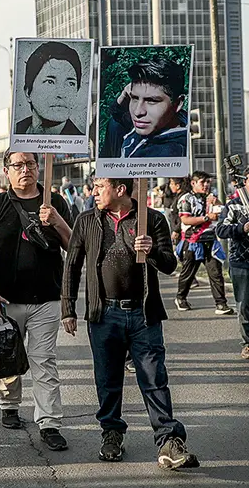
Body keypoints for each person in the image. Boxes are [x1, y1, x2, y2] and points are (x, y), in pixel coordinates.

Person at [62, 178, 199, 469]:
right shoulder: (87, 220)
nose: (94, 191)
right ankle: (111, 431)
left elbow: (170, 264)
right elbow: (72, 264)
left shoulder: (152, 219)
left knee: (154, 378)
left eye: (100, 186)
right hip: (103, 315)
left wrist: (152, 251)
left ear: (120, 189)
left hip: (143, 314)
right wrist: (68, 308)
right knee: (108, 378)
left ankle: (168, 441)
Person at [0, 150, 72, 449]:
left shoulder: (55, 202)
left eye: (30, 164)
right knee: (8, 357)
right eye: (18, 165)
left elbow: (74, 245)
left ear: (38, 168)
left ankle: (49, 422)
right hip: (6, 299)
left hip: (46, 296)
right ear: (7, 171)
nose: (25, 170)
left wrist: (56, 222)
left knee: (44, 361)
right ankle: (9, 405)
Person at [101, 56, 189, 159]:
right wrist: (123, 97)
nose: (138, 112)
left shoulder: (170, 153)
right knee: (114, 123)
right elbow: (117, 115)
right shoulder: (164, 120)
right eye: (134, 98)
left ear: (178, 103)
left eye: (151, 101)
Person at [175, 171, 231, 314]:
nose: (206, 185)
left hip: (210, 241)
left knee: (216, 273)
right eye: (202, 182)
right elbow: (185, 220)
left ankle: (221, 304)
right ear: (193, 183)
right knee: (188, 273)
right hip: (192, 241)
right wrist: (206, 218)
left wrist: (217, 203)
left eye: (208, 182)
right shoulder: (186, 199)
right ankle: (181, 297)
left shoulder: (211, 198)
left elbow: (223, 214)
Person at [15, 42, 85, 136]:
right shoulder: (17, 131)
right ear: (28, 92)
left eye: (70, 84)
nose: (61, 94)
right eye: (50, 82)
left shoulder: (81, 145)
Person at [216, 190, 249, 360]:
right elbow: (221, 229)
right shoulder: (234, 205)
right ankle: (247, 343)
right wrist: (242, 228)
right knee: (244, 306)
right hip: (241, 262)